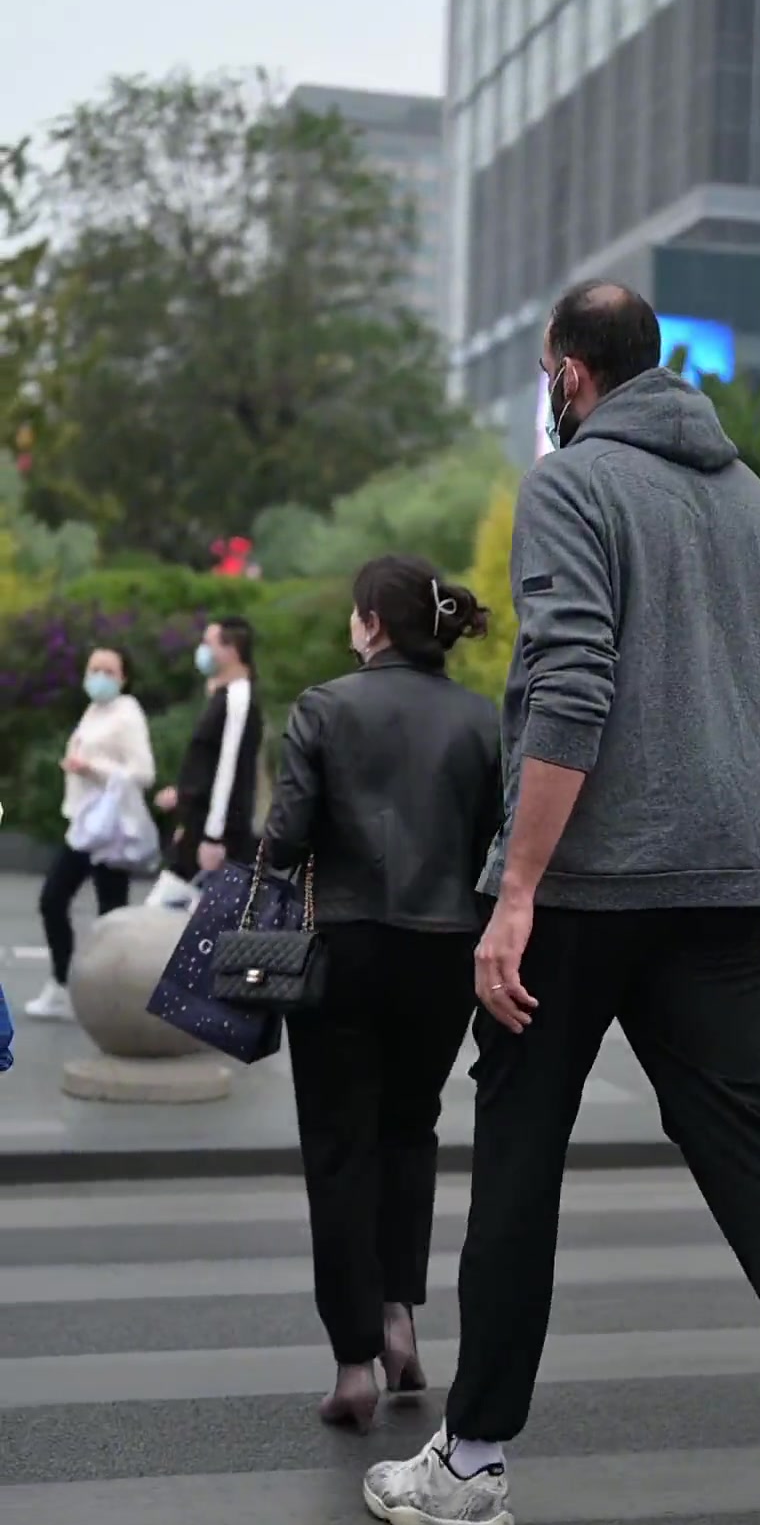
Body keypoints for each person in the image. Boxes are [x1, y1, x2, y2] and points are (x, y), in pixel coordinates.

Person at [362, 282, 760, 1525]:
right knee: (753, 1155)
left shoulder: (574, 487)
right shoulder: (756, 505)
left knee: (520, 1157)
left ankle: (476, 1461)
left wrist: (518, 894)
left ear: (568, 374)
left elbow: (570, 677)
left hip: (590, 888)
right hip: (724, 884)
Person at [263, 555, 500, 1433]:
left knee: (339, 1147)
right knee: (411, 1130)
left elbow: (283, 842)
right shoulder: (484, 721)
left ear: (371, 622)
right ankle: (402, 1317)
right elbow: (496, 844)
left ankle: (353, 1360)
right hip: (445, 955)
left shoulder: (324, 707)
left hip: (344, 950)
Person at [27, 646, 155, 1020]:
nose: (99, 676)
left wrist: (92, 768)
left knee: (106, 913)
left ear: (124, 677)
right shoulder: (94, 711)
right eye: (94, 668)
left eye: (109, 671)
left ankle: (106, 996)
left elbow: (143, 772)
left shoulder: (127, 714)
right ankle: (65, 985)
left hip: (109, 830)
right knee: (61, 902)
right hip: (85, 824)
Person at [147, 617, 262, 906]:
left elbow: (228, 770)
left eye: (208, 643)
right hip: (198, 828)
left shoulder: (238, 699)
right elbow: (205, 764)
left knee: (171, 914)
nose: (203, 651)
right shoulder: (220, 697)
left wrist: (213, 837)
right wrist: (184, 800)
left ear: (232, 649)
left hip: (216, 837)